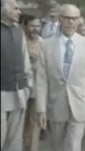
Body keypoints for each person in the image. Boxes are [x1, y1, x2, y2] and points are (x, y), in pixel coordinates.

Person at [35, 4, 85, 151]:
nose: (71, 22)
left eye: (74, 19)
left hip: (80, 103)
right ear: (60, 19)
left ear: (79, 21)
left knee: (73, 145)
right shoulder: (46, 45)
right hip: (56, 104)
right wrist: (41, 109)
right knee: (58, 145)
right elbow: (42, 80)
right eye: (67, 18)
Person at [1, 0, 33, 151]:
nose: (19, 12)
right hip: (1, 90)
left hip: (19, 89)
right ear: (4, 10)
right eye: (16, 8)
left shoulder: (19, 30)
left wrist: (28, 85)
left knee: (15, 136)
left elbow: (25, 58)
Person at [22, 14, 43, 151]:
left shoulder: (44, 43)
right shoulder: (19, 42)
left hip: (38, 89)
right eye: (32, 26)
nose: (35, 29)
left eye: (38, 26)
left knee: (35, 123)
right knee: (20, 123)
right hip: (21, 89)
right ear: (24, 26)